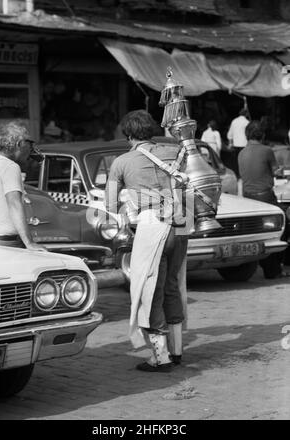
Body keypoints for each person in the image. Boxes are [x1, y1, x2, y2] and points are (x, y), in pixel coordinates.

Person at [105, 110, 188, 372]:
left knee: (149, 292)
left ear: (128, 135)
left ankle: (160, 357)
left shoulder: (122, 161)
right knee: (173, 286)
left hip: (151, 226)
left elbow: (108, 202)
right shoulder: (171, 152)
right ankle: (176, 351)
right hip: (181, 223)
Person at [238, 120, 288, 279]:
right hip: (265, 197)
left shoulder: (241, 153)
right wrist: (280, 170)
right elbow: (276, 171)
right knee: (284, 226)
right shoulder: (267, 150)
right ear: (263, 135)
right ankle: (275, 270)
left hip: (248, 199)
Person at [0, 121, 47, 251]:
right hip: (7, 243)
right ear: (20, 144)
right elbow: (14, 203)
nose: (32, 149)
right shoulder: (10, 167)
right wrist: (29, 243)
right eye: (30, 144)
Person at [227, 108, 250, 178]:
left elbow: (229, 134)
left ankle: (237, 177)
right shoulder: (247, 122)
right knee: (244, 162)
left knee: (236, 162)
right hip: (244, 145)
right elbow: (249, 134)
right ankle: (243, 176)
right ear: (246, 114)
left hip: (235, 145)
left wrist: (230, 143)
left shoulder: (234, 121)